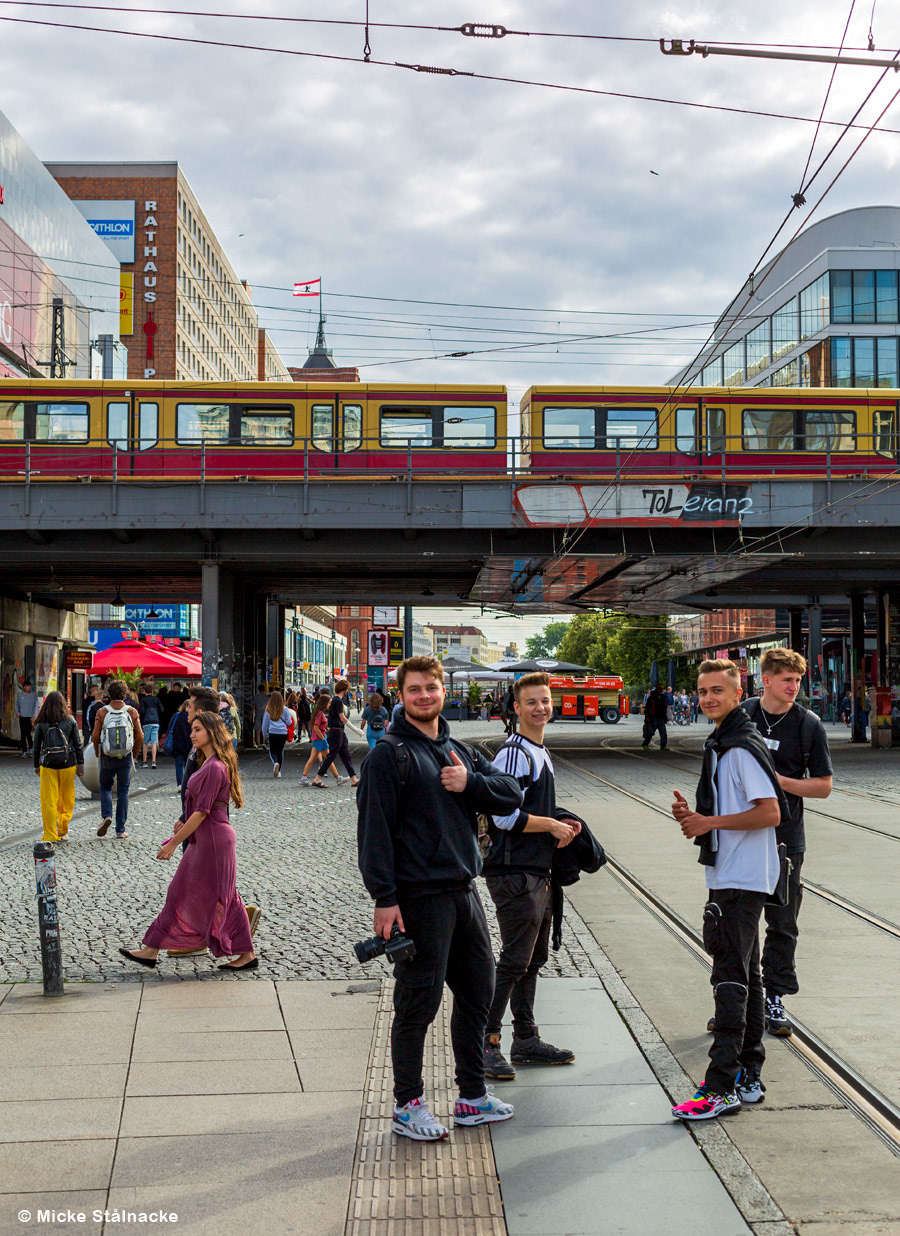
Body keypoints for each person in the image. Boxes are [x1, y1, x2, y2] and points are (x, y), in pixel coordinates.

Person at [358, 655, 523, 1141]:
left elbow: (511, 792)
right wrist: (385, 899)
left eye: (432, 687)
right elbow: (374, 834)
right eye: (415, 689)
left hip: (464, 893)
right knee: (418, 1003)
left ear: (442, 690)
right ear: (401, 695)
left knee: (478, 994)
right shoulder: (388, 755)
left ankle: (471, 1098)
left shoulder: (461, 752)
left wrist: (470, 783)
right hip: (418, 898)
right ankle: (408, 1105)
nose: (425, 695)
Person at [670, 659, 787, 1121]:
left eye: (718, 690)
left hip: (740, 878)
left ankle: (719, 1087)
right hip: (742, 874)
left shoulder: (737, 746)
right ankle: (748, 1076)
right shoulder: (726, 739)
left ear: (740, 694)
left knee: (729, 979)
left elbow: (770, 812)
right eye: (702, 691)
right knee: (750, 977)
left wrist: (710, 821)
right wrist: (696, 816)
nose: (708, 699)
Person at [726, 649, 833, 1038]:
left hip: (786, 840)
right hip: (738, 836)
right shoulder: (740, 717)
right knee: (736, 924)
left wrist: (782, 782)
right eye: (786, 680)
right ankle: (735, 1001)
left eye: (798, 680)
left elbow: (823, 785)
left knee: (782, 923)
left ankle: (775, 997)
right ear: (765, 680)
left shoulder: (808, 725)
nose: (793, 687)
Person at [483, 673, 581, 1081]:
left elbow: (534, 807)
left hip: (536, 872)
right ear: (516, 709)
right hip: (513, 872)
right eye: (532, 702)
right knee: (514, 961)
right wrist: (551, 827)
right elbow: (502, 816)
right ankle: (485, 1042)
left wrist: (563, 821)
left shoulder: (540, 752)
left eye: (545, 700)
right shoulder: (513, 755)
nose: (540, 707)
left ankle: (525, 1038)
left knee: (533, 959)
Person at [119, 710, 258, 971]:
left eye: (197, 730)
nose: (192, 734)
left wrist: (173, 841)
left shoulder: (215, 767)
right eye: (192, 730)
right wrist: (183, 824)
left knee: (208, 894)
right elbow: (200, 808)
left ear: (211, 733)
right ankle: (152, 949)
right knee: (215, 894)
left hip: (213, 840)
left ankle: (152, 949)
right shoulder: (209, 763)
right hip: (205, 838)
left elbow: (203, 811)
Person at [92, 680, 143, 839]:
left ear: (108, 694)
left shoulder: (102, 711)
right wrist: (134, 754)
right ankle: (120, 829)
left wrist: (97, 752)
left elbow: (95, 735)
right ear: (125, 694)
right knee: (123, 791)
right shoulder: (131, 711)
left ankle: (107, 815)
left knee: (106, 787)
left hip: (107, 755)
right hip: (126, 756)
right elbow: (140, 735)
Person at [33, 691, 84, 843]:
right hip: (68, 764)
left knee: (49, 800)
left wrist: (36, 766)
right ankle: (63, 830)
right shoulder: (70, 720)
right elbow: (77, 744)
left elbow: (36, 747)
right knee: (66, 799)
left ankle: (50, 834)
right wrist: (80, 766)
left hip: (48, 765)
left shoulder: (42, 722)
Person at [312, 679, 358, 787]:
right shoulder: (338, 701)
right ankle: (317, 778)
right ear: (344, 689)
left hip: (338, 731)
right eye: (347, 689)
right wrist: (355, 729)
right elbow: (342, 718)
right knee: (331, 755)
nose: (347, 691)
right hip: (337, 731)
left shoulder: (335, 700)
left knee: (346, 754)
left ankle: (354, 779)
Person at [300, 691, 340, 785]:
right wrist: (323, 738)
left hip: (316, 738)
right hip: (320, 738)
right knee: (329, 758)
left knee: (313, 758)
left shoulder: (317, 712)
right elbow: (316, 727)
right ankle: (338, 777)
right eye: (329, 702)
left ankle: (304, 777)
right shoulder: (320, 714)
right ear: (324, 703)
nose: (329, 704)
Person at [262, 690, 294, 778]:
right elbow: (289, 722)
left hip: (272, 732)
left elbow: (265, 723)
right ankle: (279, 771)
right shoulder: (285, 709)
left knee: (272, 751)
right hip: (283, 732)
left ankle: (275, 763)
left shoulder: (268, 709)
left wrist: (264, 735)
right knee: (280, 751)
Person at [138, 686, 164, 768]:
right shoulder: (156, 699)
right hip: (155, 722)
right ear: (152, 691)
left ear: (145, 692)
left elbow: (141, 711)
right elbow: (162, 709)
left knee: (145, 742)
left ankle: (144, 761)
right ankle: (154, 761)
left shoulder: (143, 700)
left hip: (147, 722)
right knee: (154, 742)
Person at [170, 699, 192, 789]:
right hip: (189, 744)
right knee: (188, 766)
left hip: (177, 744)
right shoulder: (192, 717)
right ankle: (188, 784)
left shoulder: (176, 716)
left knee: (179, 766)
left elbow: (170, 728)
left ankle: (180, 785)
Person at [641, 684, 668, 750]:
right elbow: (648, 708)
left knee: (663, 733)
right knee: (651, 732)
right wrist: (647, 717)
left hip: (659, 717)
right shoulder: (652, 697)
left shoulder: (662, 697)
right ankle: (645, 744)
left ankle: (663, 746)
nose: (660, 690)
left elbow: (664, 708)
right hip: (654, 717)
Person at [15, 678, 38, 757]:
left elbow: (36, 706)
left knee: (28, 734)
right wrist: (17, 712)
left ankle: (31, 748)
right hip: (22, 717)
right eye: (28, 686)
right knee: (23, 734)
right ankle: (24, 751)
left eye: (30, 686)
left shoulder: (34, 695)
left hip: (30, 717)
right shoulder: (20, 695)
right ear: (24, 687)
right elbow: (16, 705)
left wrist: (34, 716)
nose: (29, 687)